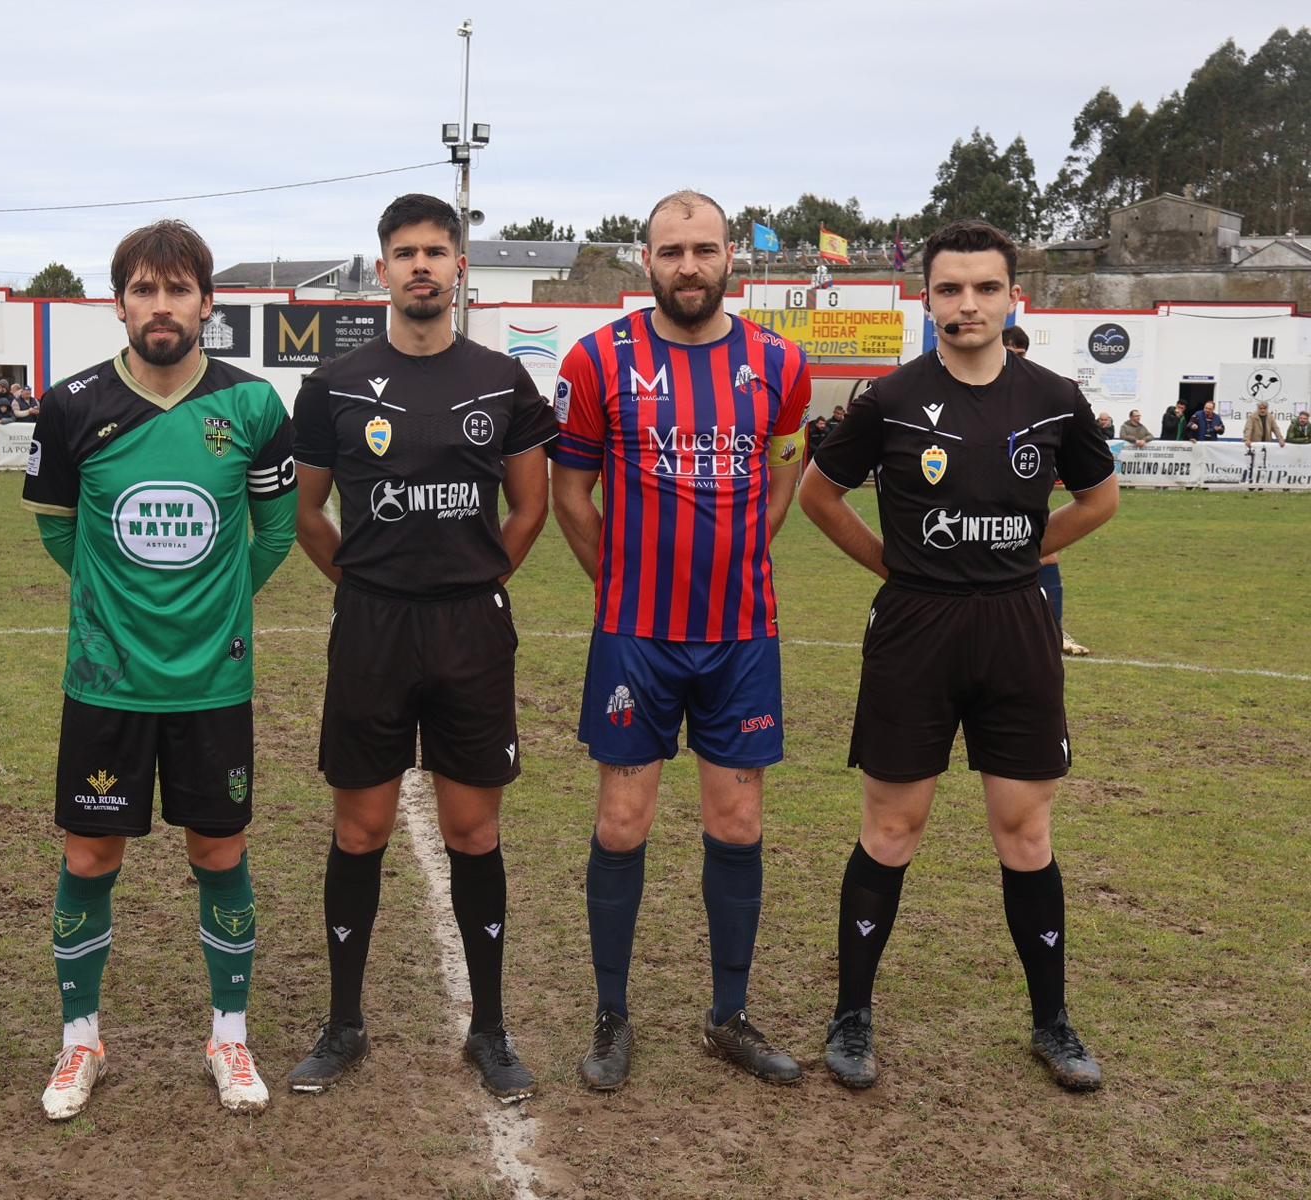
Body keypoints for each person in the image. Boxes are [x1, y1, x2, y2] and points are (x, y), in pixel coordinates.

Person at [799, 219, 1118, 1094]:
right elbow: (819, 497)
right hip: (916, 629)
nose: (967, 304)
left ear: (1014, 297)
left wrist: (1023, 554)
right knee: (891, 828)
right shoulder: (889, 399)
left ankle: (1051, 1022)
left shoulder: (1055, 398)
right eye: (949, 288)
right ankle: (852, 1016)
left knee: (1026, 830)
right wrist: (895, 566)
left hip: (1016, 628)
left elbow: (1099, 500)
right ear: (927, 298)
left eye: (984, 288)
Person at [21, 220, 298, 1120]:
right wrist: (118, 607)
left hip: (213, 684)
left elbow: (277, 532)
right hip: (106, 680)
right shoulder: (72, 405)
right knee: (89, 854)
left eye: (179, 289)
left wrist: (215, 608)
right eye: (144, 289)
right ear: (120, 304)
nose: (162, 305)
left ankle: (229, 1035)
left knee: (219, 851)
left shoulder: (252, 405)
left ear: (207, 302)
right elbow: (59, 530)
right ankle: (80, 1041)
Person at [286, 193, 556, 1103]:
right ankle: (343, 1024)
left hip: (470, 629)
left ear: (459, 266)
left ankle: (490, 1028)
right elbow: (308, 514)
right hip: (372, 628)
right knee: (358, 828)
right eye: (404, 253)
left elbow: (530, 508)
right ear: (382, 270)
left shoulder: (502, 381)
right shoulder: (333, 385)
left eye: (435, 251)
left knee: (472, 829)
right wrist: (366, 585)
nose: (421, 267)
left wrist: (475, 579)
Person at [550, 189, 810, 1091]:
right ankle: (612, 1014)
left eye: (703, 249)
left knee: (737, 822)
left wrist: (749, 547)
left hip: (741, 636)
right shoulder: (597, 360)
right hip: (637, 637)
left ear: (730, 255)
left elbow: (786, 466)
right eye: (671, 251)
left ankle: (728, 1016)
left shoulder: (780, 361)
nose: (688, 266)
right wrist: (619, 582)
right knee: (622, 822)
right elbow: (570, 495)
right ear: (647, 260)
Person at [1003, 331, 1090, 658]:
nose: (1015, 360)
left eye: (1021, 354)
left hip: (1021, 495)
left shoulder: (1037, 393)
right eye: (1010, 352)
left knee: (1045, 554)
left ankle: (1053, 629)